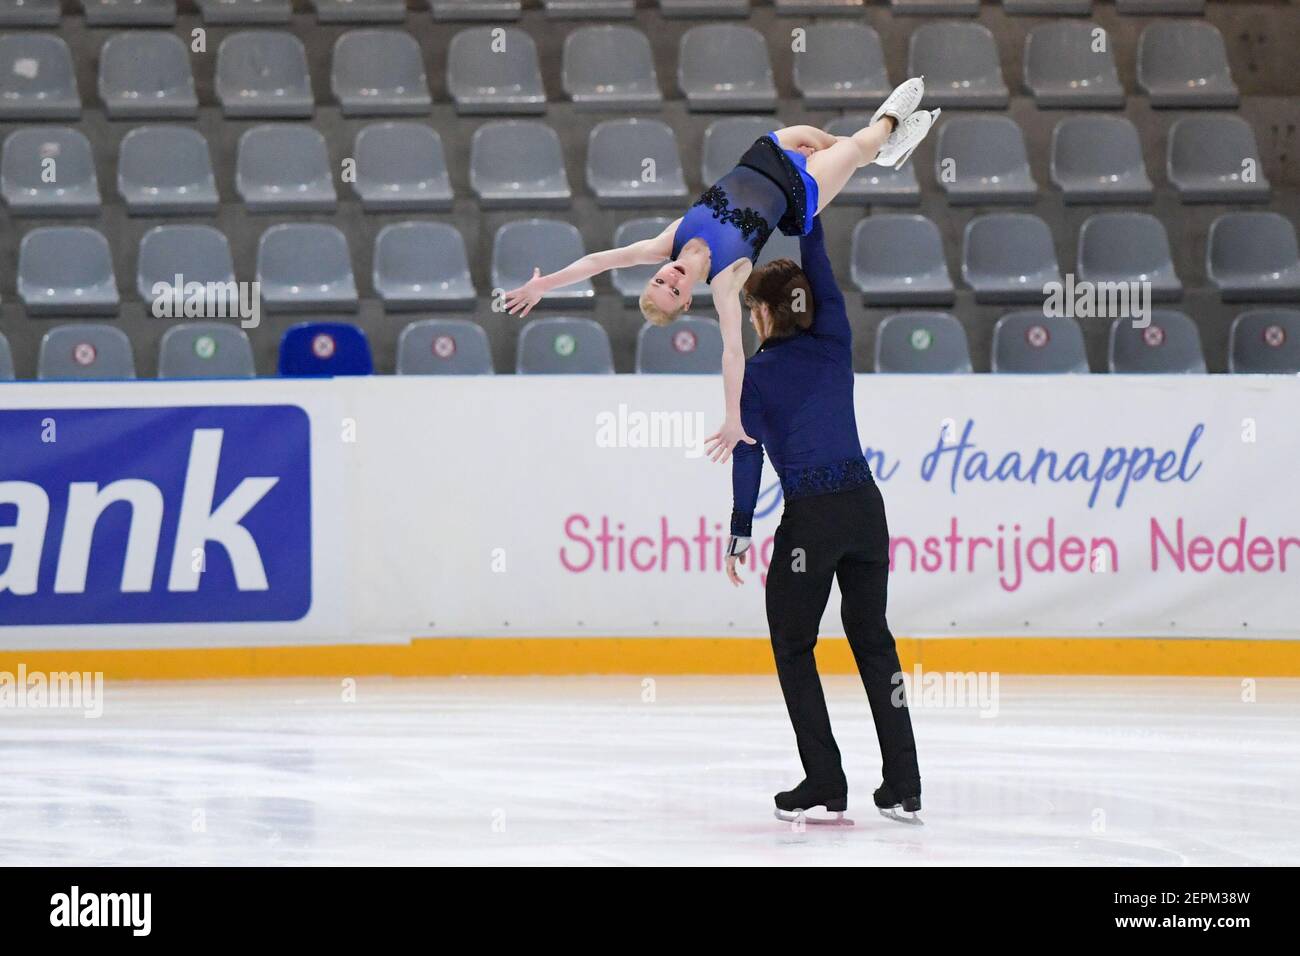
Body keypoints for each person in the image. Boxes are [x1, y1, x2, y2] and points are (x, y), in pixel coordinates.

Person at [503, 81, 939, 457]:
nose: (669, 278)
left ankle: (882, 151)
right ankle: (887, 131)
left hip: (764, 154)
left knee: (837, 143)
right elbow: (732, 352)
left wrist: (545, 285)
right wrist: (733, 417)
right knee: (855, 147)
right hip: (798, 193)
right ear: (687, 298)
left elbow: (600, 261)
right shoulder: (725, 281)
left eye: (659, 280)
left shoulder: (665, 242)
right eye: (673, 291)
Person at [724, 214, 922, 826]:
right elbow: (822, 268)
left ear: (763, 313)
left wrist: (739, 525)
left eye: (754, 308)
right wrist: (805, 211)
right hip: (866, 509)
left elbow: (747, 450)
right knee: (873, 639)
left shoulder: (752, 374)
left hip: (811, 520)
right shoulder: (834, 335)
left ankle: (825, 779)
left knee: (792, 643)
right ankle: (904, 783)